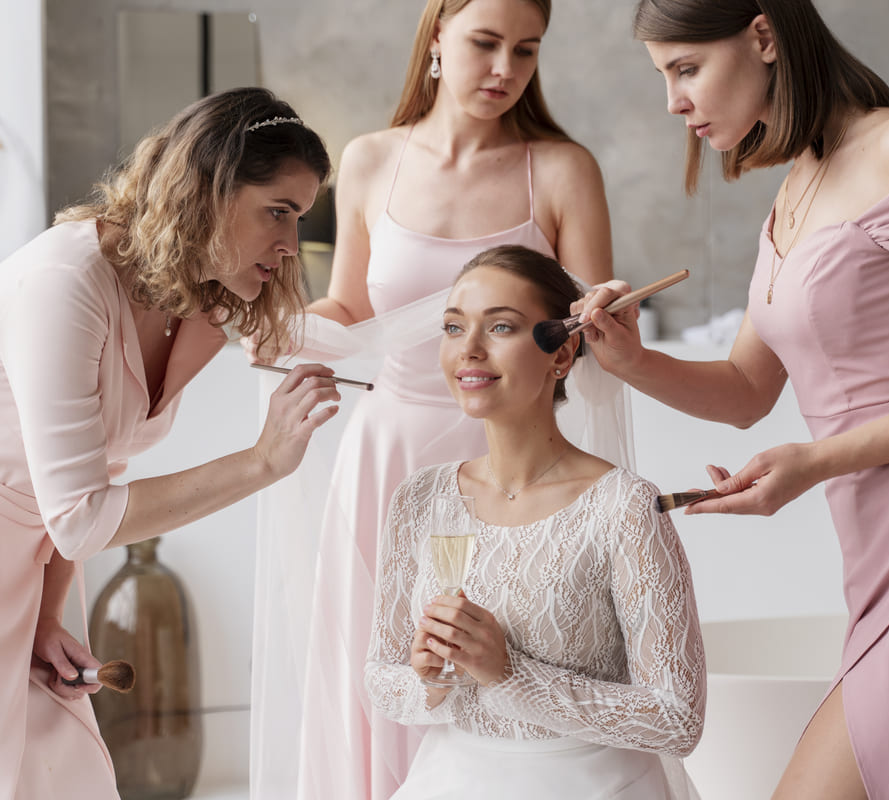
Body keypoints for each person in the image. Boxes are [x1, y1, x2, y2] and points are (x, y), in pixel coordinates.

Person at [575, 1, 889, 798]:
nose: (673, 102)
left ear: (763, 35)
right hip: (878, 566)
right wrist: (628, 358)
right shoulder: (794, 190)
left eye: (685, 69)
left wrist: (816, 461)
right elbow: (746, 392)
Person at [0, 87, 340, 799]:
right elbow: (82, 514)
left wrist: (44, 615)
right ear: (210, 191)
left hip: (23, 565)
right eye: (277, 211)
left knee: (65, 778)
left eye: (300, 217)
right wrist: (261, 461)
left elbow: (93, 478)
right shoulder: (65, 281)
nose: (290, 245)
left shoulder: (200, 307)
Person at [256, 1, 614, 797]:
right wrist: (280, 326)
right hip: (387, 452)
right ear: (437, 38)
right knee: (379, 663)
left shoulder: (560, 169)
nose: (504, 70)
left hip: (502, 456)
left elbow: (585, 336)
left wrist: (594, 320)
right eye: (485, 43)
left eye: (525, 51)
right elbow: (351, 306)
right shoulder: (371, 159)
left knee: (490, 657)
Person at [366, 245, 704, 800]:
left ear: (562, 354)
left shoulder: (623, 507)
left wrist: (508, 673)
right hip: (448, 781)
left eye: (500, 326)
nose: (468, 350)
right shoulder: (420, 498)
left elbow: (677, 719)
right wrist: (427, 677)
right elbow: (382, 680)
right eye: (453, 327)